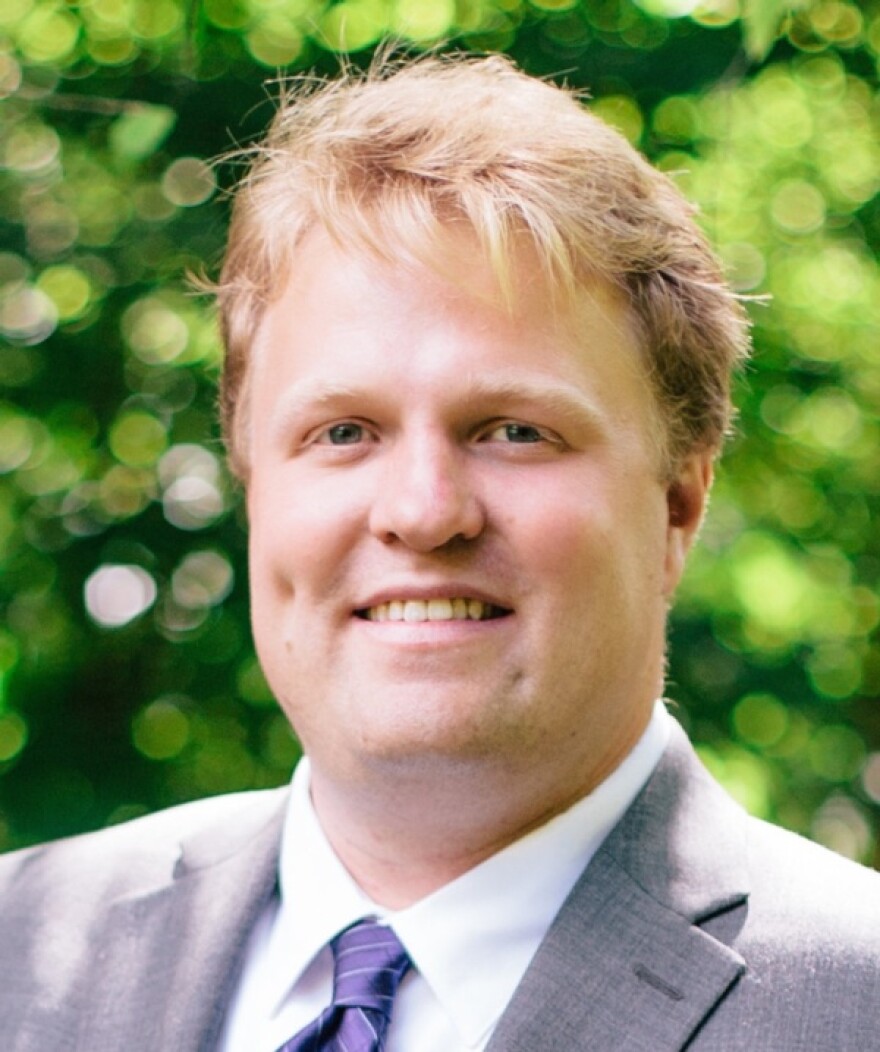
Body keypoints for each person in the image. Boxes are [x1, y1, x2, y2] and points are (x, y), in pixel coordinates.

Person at [1, 53, 878, 1052]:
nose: (422, 511)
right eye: (342, 431)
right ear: (251, 481)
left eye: (513, 429)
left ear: (678, 501)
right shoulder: (19, 958)